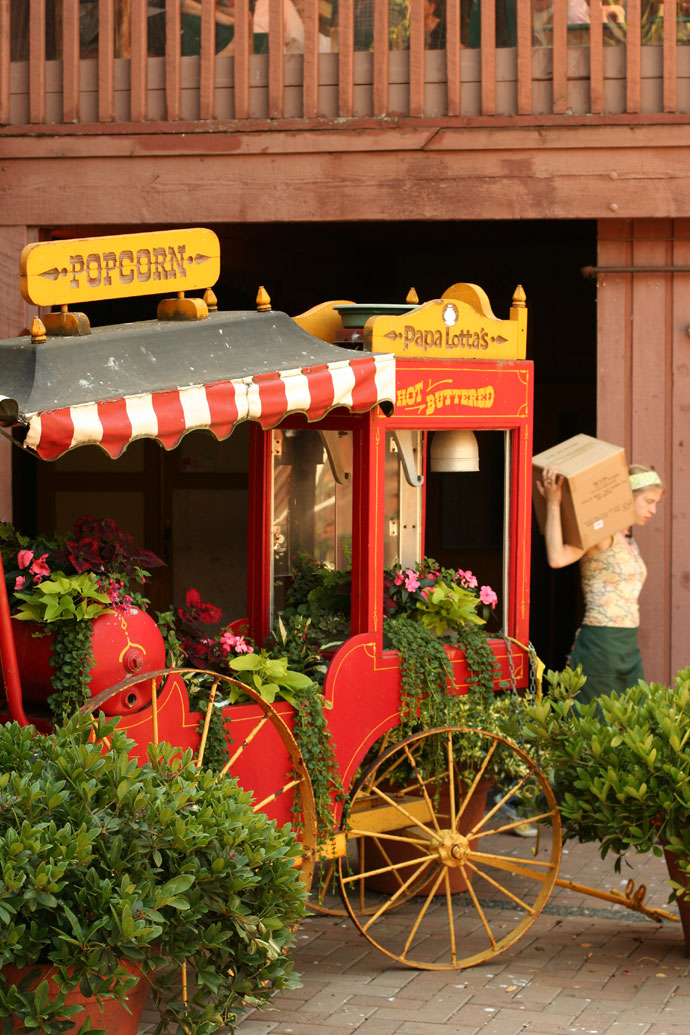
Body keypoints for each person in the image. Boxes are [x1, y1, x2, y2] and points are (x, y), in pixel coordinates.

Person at [536, 462, 664, 706]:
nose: (654, 509)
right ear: (628, 497)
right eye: (649, 501)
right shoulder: (601, 535)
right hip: (601, 642)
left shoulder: (629, 541)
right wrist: (553, 503)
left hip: (628, 645)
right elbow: (556, 557)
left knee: (635, 721)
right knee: (594, 722)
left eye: (656, 503)